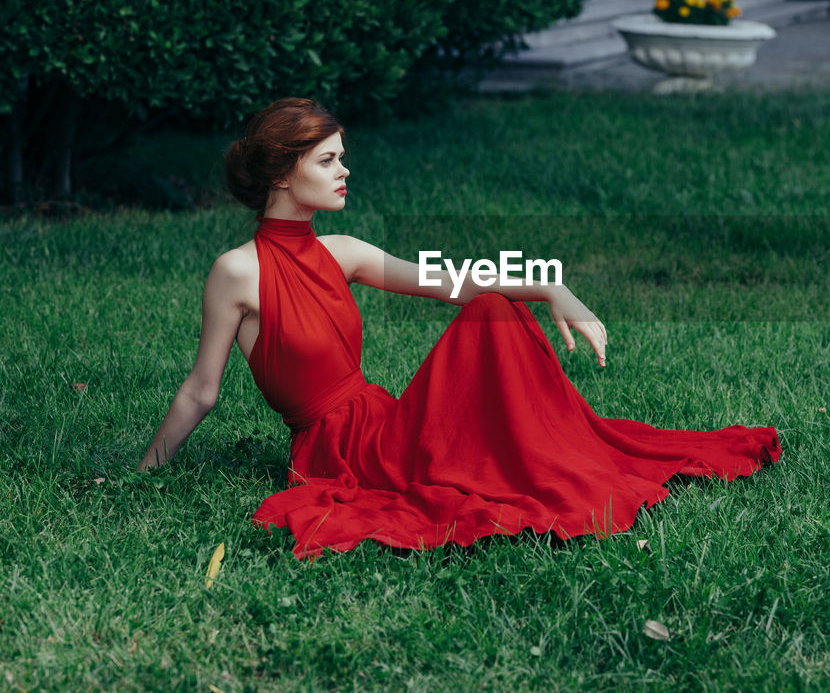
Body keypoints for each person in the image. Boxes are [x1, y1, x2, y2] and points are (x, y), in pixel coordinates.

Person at [138, 97, 780, 557]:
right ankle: (551, 464)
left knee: (493, 309)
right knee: (491, 321)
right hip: (341, 451)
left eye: (343, 158)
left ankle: (560, 459)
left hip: (383, 420)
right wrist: (146, 472)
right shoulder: (236, 272)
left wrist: (552, 285)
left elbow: (460, 281)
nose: (345, 171)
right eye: (329, 160)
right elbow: (203, 390)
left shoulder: (344, 252)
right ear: (283, 172)